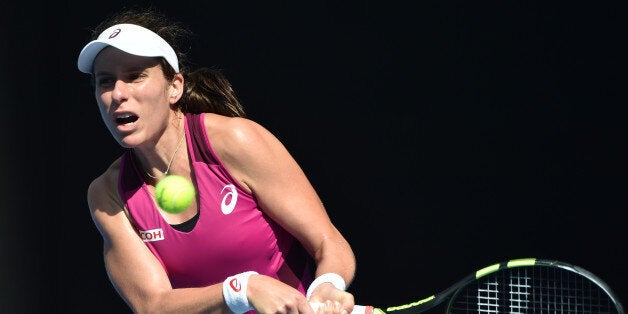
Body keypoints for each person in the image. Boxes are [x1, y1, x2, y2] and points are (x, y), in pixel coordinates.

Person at [78, 7, 356, 314]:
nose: (117, 93)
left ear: (175, 87)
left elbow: (328, 242)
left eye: (135, 76)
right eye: (105, 81)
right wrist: (243, 288)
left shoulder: (235, 141)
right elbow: (153, 305)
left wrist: (327, 287)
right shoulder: (108, 194)